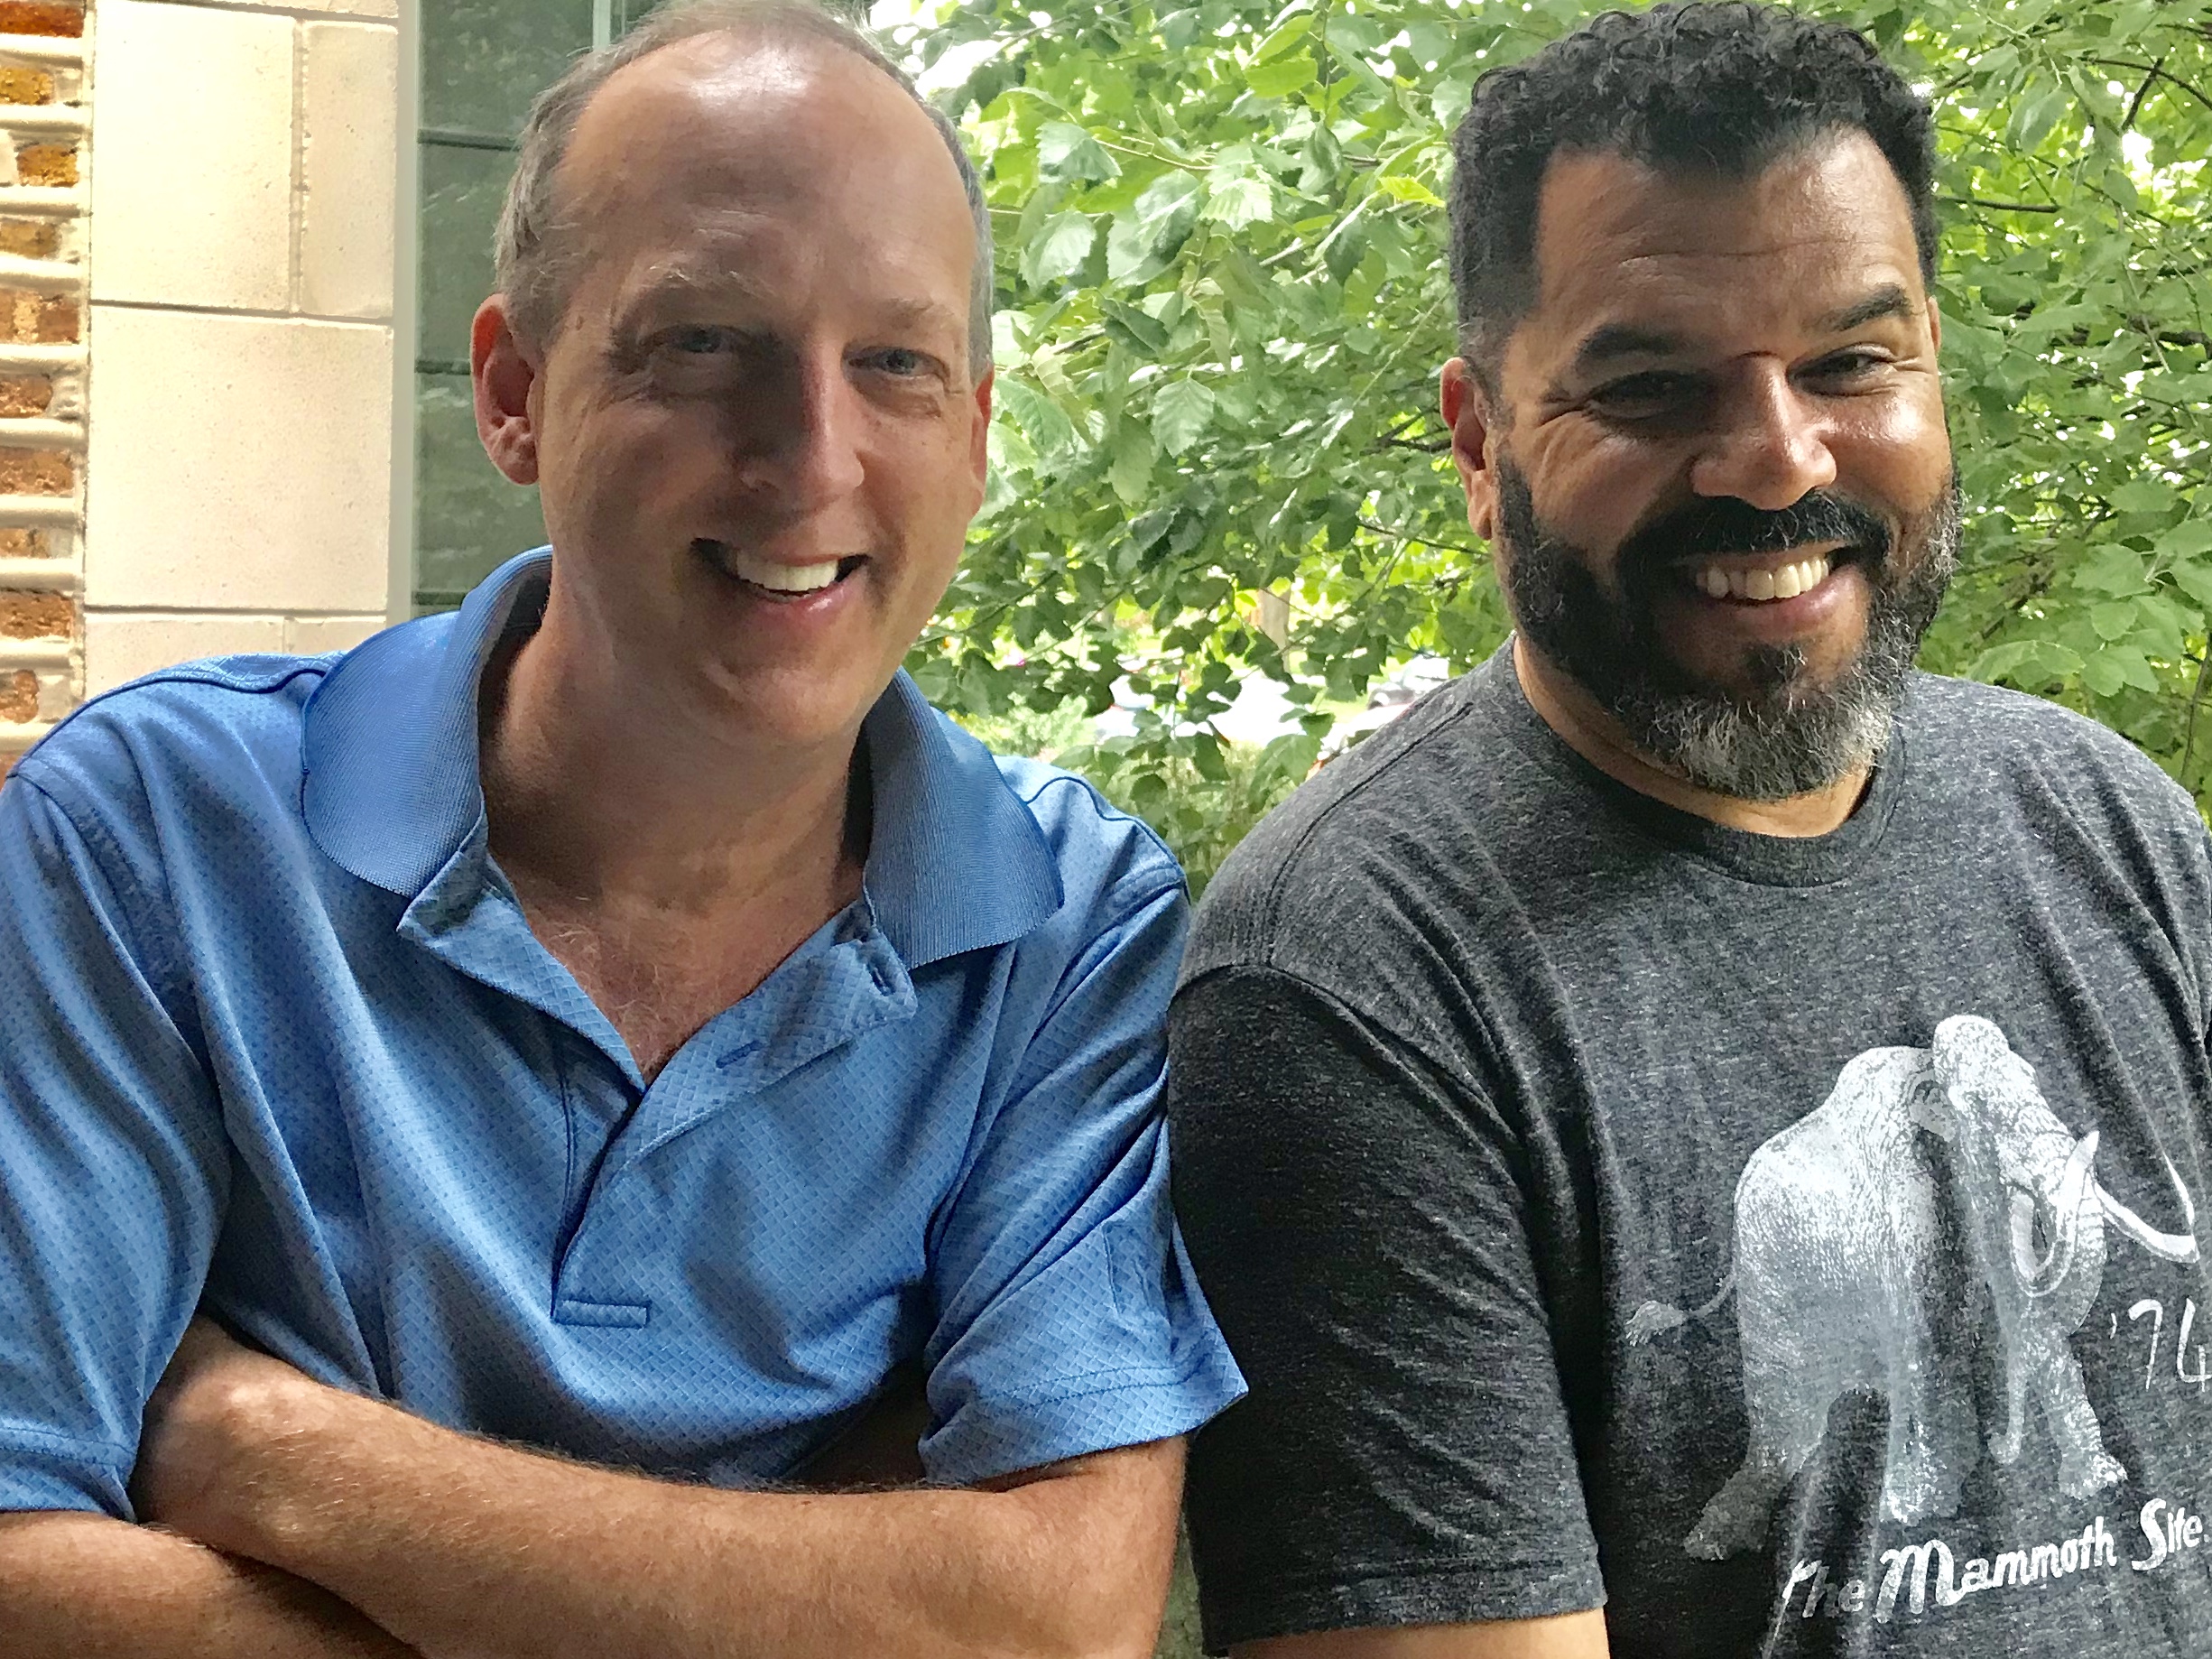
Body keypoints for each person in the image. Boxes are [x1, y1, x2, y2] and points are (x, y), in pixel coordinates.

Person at [0, 3, 1243, 1652]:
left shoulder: (1069, 921)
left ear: (976, 433)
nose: (811, 459)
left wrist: (279, 1453)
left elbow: (1055, 1617)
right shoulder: (153, 834)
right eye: (704, 342)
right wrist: (833, 1586)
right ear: (514, 393)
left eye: (895, 362)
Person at [1166, 5, 2212, 1655]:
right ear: (1481, 447)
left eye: (1851, 364)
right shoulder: (1352, 984)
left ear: (1934, 365)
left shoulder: (2114, 826)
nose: (1777, 462)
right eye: (1651, 389)